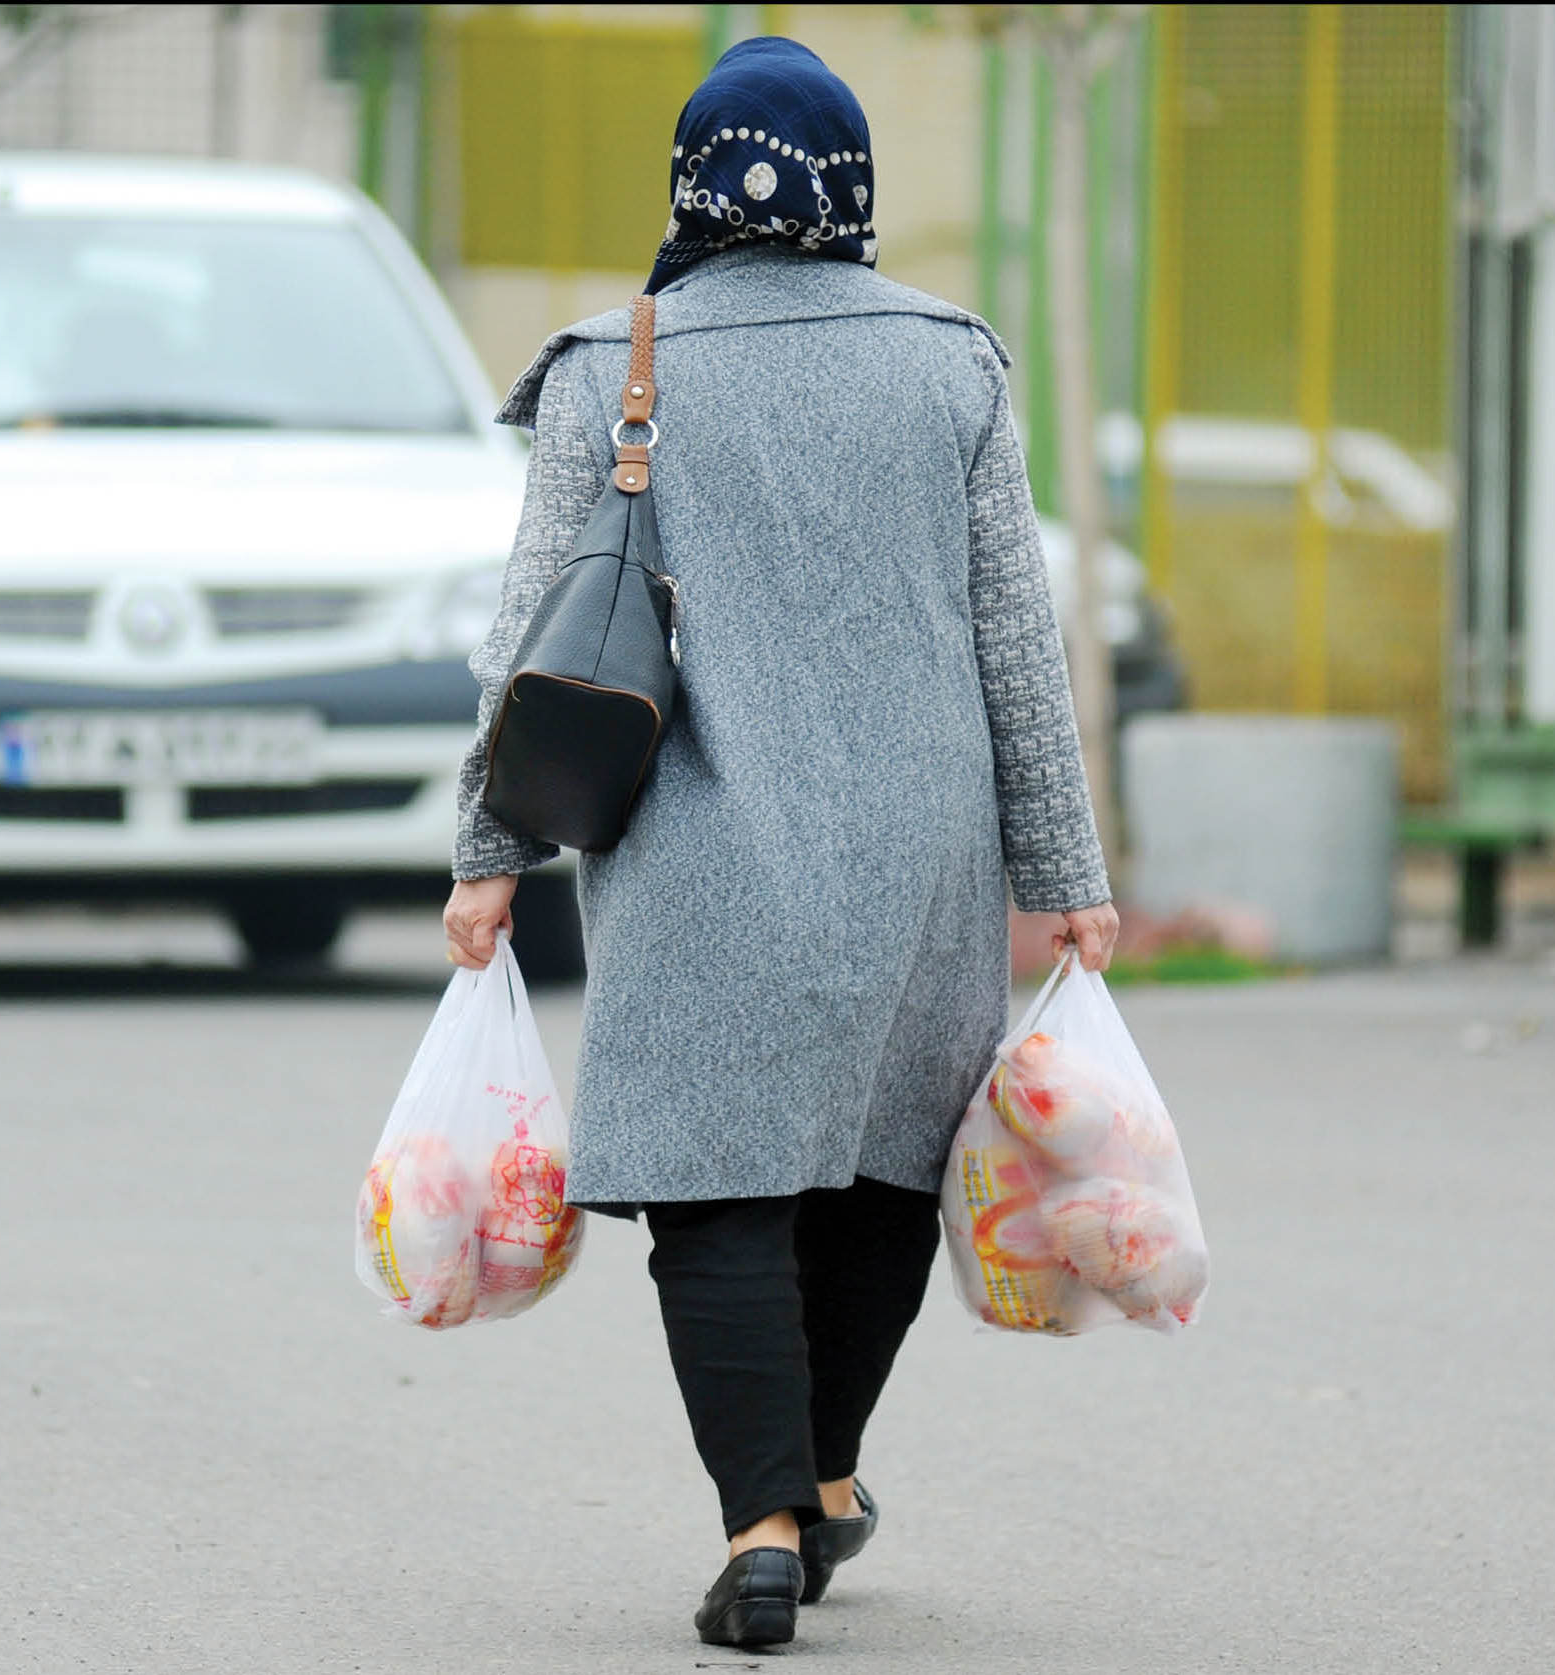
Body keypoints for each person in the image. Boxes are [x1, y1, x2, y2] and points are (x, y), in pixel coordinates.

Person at [441, 36, 1115, 1651]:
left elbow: (537, 633)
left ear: (688, 179)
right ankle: (820, 1472)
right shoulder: (954, 361)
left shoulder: (614, 364)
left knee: (715, 1188)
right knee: (882, 1171)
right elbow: (1015, 633)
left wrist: (488, 853)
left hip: (693, 841)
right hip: (921, 846)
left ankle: (757, 1520)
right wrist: (1068, 877)